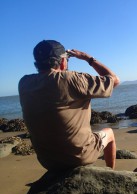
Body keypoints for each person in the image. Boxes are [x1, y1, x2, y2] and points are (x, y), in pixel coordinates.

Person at [18, 40, 120, 171]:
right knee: (109, 133)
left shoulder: (24, 83)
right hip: (79, 157)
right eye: (67, 59)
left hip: (47, 160)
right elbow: (114, 80)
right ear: (62, 61)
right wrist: (88, 58)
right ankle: (110, 172)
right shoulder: (71, 79)